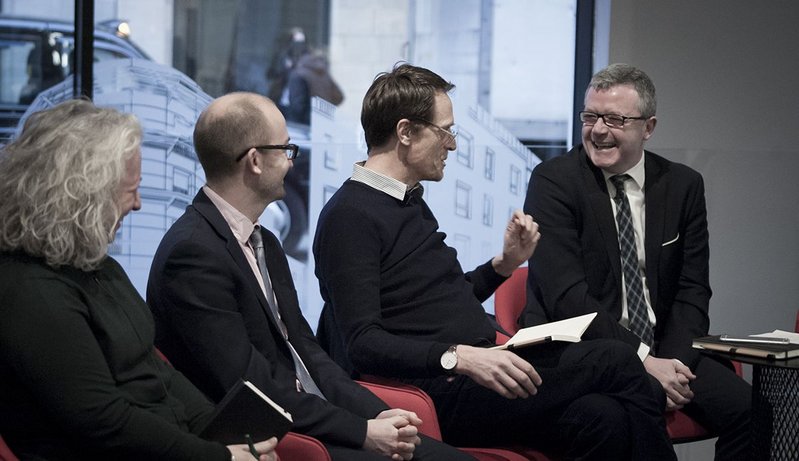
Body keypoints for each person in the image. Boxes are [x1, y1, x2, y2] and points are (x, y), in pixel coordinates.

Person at [313, 63, 677, 460]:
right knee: (616, 356)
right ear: (405, 132)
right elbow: (363, 343)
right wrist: (460, 357)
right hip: (436, 389)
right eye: (445, 131)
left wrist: (503, 265)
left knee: (602, 417)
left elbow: (437, 301)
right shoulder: (350, 216)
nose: (451, 145)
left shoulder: (406, 200)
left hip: (476, 371)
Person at [146, 91, 473, 461]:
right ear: (254, 161)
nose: (291, 163)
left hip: (310, 418)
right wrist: (363, 431)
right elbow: (254, 385)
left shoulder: (264, 240)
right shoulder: (192, 254)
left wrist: (376, 412)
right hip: (266, 438)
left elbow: (306, 350)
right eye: (286, 150)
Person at [0, 99, 276, 461]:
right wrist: (220, 457)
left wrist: (231, 435)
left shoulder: (99, 268)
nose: (138, 204)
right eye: (129, 190)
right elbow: (103, 420)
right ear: (83, 195)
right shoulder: (30, 291)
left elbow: (160, 374)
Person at [520, 63, 751, 460]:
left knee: (753, 412)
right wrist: (643, 361)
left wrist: (672, 364)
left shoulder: (682, 185)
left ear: (649, 127)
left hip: (667, 348)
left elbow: (692, 290)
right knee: (631, 415)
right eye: (590, 117)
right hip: (586, 351)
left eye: (615, 119)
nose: (598, 130)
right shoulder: (554, 181)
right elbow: (567, 299)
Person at [284, 49, 344, 124]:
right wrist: (325, 107)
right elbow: (339, 96)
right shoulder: (323, 74)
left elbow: (297, 106)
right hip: (323, 121)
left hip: (304, 125)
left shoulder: (298, 75)